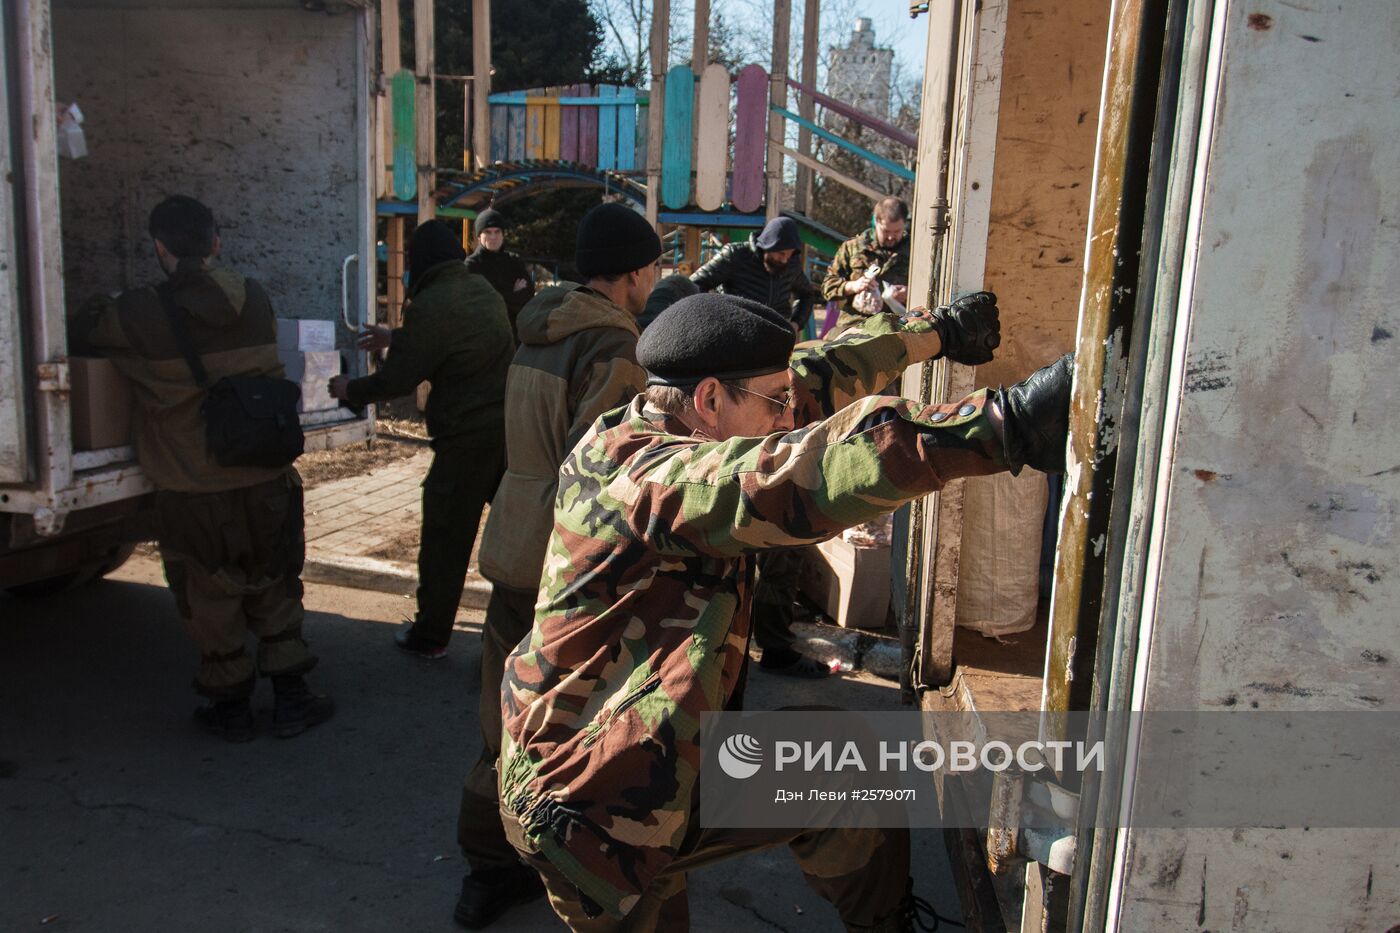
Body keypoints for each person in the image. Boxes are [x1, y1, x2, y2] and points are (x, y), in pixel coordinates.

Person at [496, 291, 1074, 931]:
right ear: (711, 399)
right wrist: (1002, 424)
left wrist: (934, 332)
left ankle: (885, 922)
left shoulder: (695, 415)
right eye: (774, 403)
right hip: (591, 800)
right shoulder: (641, 475)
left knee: (846, 762)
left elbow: (820, 373)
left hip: (655, 752)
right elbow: (783, 477)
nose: (788, 416)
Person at [453, 202, 665, 928]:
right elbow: (600, 470)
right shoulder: (612, 343)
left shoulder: (535, 329)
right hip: (562, 563)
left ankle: (484, 870)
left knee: (496, 720)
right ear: (635, 272)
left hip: (511, 539)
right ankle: (575, 877)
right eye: (653, 267)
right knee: (567, 728)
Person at [68, 195, 332, 742]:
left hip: (193, 487)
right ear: (215, 243)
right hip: (266, 476)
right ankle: (292, 699)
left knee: (209, 593)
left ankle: (230, 708)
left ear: (159, 247)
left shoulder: (139, 314)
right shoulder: (253, 297)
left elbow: (84, 327)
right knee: (275, 581)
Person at [329, 220, 513, 659]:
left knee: (445, 541)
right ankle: (516, 633)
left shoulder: (431, 302)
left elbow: (398, 379)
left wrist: (348, 389)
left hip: (464, 441)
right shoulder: (482, 290)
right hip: (506, 436)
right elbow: (455, 341)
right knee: (514, 537)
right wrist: (398, 338)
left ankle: (431, 635)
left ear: (420, 264)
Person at [689, 216, 820, 333]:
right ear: (768, 246)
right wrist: (715, 315)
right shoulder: (735, 255)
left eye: (789, 254)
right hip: (735, 333)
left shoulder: (792, 265)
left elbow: (807, 295)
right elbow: (694, 284)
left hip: (775, 335)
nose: (784, 259)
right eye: (781, 253)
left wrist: (796, 323)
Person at [823, 196, 912, 337]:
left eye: (897, 232)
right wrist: (853, 286)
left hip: (896, 328)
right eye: (886, 232)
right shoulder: (852, 248)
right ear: (876, 222)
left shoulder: (914, 252)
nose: (891, 237)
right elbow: (827, 287)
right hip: (854, 326)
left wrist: (910, 293)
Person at [463, 208, 534, 330]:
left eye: (497, 232)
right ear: (479, 236)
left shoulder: (514, 261)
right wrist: (514, 293)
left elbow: (529, 295)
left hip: (516, 332)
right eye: (488, 232)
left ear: (503, 234)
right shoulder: (472, 265)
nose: (493, 237)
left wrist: (503, 296)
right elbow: (483, 304)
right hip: (486, 332)